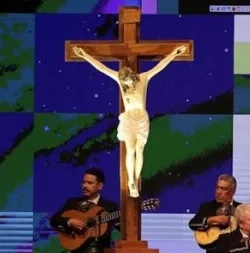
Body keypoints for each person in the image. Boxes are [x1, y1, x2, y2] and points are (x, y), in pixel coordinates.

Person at [73, 45, 187, 198]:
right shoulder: (121, 83)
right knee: (130, 150)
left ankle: (136, 178)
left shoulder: (143, 78)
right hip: (129, 120)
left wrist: (174, 53)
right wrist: (85, 55)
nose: (127, 85)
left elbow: (160, 67)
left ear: (132, 77)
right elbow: (102, 68)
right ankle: (130, 182)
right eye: (124, 83)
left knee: (139, 150)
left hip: (141, 120)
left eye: (127, 82)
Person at [188, 174, 240, 253]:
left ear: (232, 191)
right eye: (217, 187)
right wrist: (210, 220)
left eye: (223, 188)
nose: (219, 191)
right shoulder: (207, 207)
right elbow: (192, 224)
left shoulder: (240, 208)